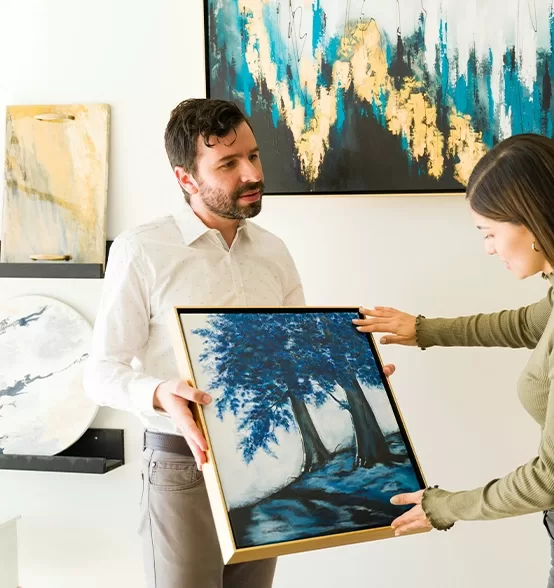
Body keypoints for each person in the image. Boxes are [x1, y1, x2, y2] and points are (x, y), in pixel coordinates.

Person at [83, 98, 395, 588]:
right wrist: (160, 391)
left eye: (253, 156)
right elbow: (100, 372)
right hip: (184, 464)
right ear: (186, 178)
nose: (251, 172)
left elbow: (293, 354)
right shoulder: (141, 250)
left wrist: (354, 373)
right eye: (228, 164)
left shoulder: (273, 251)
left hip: (262, 465)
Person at [354, 133, 554, 587]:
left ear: (535, 222)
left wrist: (445, 506)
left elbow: (553, 479)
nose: (488, 247)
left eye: (490, 232)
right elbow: (522, 324)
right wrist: (423, 330)